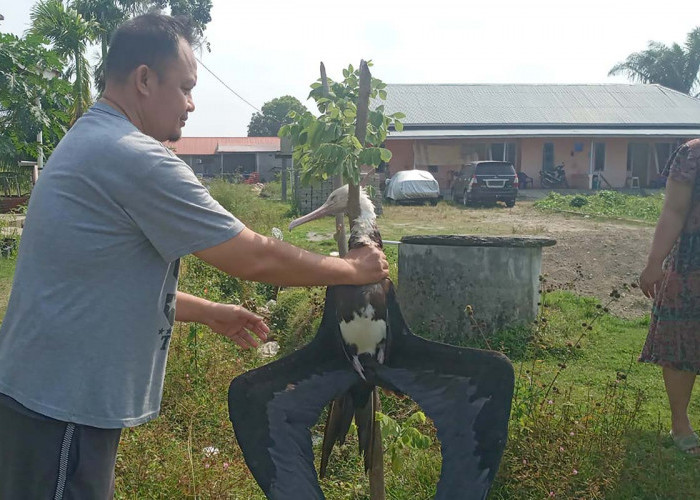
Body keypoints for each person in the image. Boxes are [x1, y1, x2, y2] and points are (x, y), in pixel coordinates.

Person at [0, 13, 388, 499]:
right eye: (184, 87)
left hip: (44, 395)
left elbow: (101, 281)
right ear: (144, 79)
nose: (191, 103)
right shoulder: (133, 156)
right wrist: (351, 270)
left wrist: (208, 311)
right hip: (61, 407)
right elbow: (254, 257)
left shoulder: (88, 140)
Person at [639, 138, 700, 457]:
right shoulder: (693, 153)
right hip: (693, 262)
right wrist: (654, 262)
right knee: (682, 340)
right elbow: (674, 211)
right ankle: (680, 424)